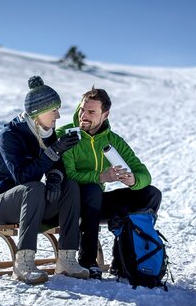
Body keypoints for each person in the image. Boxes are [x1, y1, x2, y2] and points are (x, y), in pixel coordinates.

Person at [0, 76, 89, 284]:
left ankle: (66, 258)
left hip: (31, 202)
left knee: (71, 187)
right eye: (54, 110)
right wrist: (54, 150)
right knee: (34, 187)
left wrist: (56, 179)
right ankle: (23, 263)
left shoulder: (46, 133)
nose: (58, 115)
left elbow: (55, 166)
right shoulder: (10, 135)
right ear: (38, 113)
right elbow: (22, 177)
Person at [56, 87, 162, 279]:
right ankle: (87, 261)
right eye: (82, 110)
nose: (84, 116)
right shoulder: (67, 134)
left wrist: (133, 180)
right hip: (69, 202)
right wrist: (100, 177)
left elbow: (143, 172)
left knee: (151, 194)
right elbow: (69, 175)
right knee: (93, 188)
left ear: (105, 115)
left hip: (95, 206)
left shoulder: (112, 140)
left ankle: (125, 258)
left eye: (91, 112)